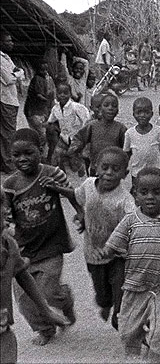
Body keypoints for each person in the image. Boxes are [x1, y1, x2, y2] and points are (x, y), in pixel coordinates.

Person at [98, 167, 160, 363]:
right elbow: (114, 243)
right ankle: (134, 354)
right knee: (128, 330)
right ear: (135, 195)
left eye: (156, 192)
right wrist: (107, 251)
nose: (150, 197)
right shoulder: (130, 221)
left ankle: (154, 360)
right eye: (143, 192)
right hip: (135, 286)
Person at [2, 128, 79, 345]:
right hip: (24, 249)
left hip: (51, 246)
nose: (22, 159)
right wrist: (6, 228)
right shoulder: (10, 185)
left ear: (42, 150)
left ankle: (65, 300)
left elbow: (73, 195)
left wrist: (80, 213)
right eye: (16, 155)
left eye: (28, 153)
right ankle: (45, 329)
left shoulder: (52, 173)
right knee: (24, 298)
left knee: (49, 291)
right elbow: (5, 213)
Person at [47, 146, 136, 330]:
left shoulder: (125, 200)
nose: (109, 173)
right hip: (93, 253)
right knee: (102, 294)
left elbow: (132, 224)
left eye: (115, 169)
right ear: (96, 167)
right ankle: (106, 304)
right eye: (105, 167)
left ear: (125, 173)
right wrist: (59, 189)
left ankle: (119, 316)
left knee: (119, 285)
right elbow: (77, 196)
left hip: (118, 255)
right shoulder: (88, 185)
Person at [0, 205, 69, 363]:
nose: (5, 210)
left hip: (3, 330)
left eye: (2, 204)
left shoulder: (9, 244)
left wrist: (46, 310)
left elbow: (22, 274)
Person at [68, 93, 127, 176]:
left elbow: (127, 148)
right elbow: (79, 138)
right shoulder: (92, 126)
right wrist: (75, 152)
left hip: (114, 169)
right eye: (106, 105)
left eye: (114, 106)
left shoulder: (121, 128)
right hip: (95, 167)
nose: (110, 108)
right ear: (100, 109)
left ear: (117, 110)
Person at [47, 83, 90, 177]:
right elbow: (51, 120)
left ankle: (80, 167)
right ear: (56, 94)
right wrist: (48, 125)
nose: (62, 95)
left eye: (65, 93)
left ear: (70, 94)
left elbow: (86, 117)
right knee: (56, 156)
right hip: (64, 136)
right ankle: (60, 175)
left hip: (75, 137)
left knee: (72, 155)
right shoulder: (56, 108)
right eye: (59, 93)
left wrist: (82, 129)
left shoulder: (75, 107)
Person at [1, 32, 25, 173]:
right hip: (5, 99)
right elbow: (9, 79)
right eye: (8, 41)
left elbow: (18, 74)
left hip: (11, 98)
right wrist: (18, 73)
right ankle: (9, 165)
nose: (11, 43)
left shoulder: (7, 58)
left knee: (7, 132)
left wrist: (17, 73)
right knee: (8, 133)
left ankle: (5, 163)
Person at [24, 60, 56, 161]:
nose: (45, 71)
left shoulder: (46, 79)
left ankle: (37, 156)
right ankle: (37, 157)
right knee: (41, 135)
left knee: (40, 135)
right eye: (42, 69)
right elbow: (39, 95)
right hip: (34, 111)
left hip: (40, 111)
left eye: (46, 69)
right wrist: (49, 101)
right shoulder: (38, 79)